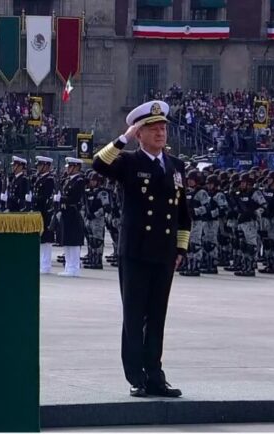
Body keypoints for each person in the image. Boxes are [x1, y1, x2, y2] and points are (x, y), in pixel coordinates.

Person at [93, 100, 190, 398]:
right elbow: (98, 163)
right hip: (135, 250)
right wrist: (123, 137)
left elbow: (183, 212)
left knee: (157, 315)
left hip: (163, 251)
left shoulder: (175, 166)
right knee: (134, 315)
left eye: (163, 128)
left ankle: (156, 374)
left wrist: (181, 248)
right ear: (140, 134)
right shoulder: (130, 162)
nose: (160, 133)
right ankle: (137, 375)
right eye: (153, 129)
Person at [32, 156, 56, 273]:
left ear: (46, 166)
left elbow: (45, 196)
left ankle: (46, 265)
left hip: (46, 212)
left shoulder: (49, 180)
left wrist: (34, 199)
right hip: (39, 212)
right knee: (41, 238)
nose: (38, 167)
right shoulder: (39, 178)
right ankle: (42, 263)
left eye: (40, 165)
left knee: (46, 238)